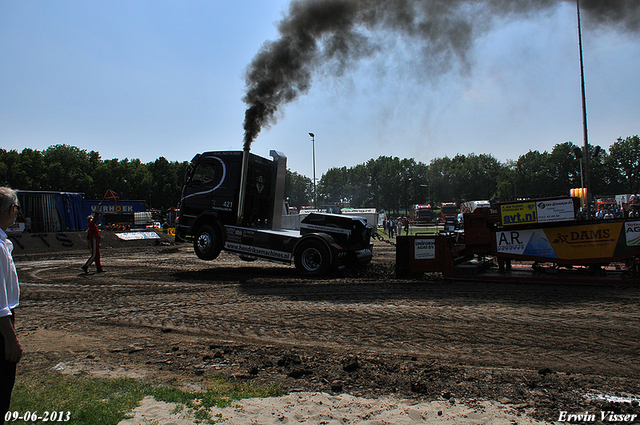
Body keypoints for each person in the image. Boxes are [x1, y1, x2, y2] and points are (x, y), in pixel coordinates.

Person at [0, 187, 22, 423]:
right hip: (2, 321)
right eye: (15, 208)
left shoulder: (3, 242)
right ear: (8, 210)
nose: (17, 213)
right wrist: (10, 337)